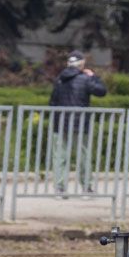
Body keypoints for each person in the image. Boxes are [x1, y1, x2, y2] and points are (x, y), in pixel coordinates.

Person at [48, 50, 106, 196]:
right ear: (81, 64)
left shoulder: (59, 79)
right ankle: (86, 187)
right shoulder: (85, 78)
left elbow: (52, 102)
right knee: (83, 156)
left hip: (60, 123)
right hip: (81, 123)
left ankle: (59, 187)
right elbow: (101, 91)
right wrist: (94, 77)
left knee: (60, 155)